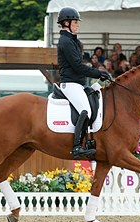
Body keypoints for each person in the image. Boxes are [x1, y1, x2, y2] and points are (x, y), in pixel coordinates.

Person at [56, 7, 110, 159]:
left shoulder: (72, 40)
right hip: (70, 84)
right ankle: (77, 147)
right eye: (75, 22)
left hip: (78, 84)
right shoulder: (65, 41)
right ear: (66, 23)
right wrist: (98, 73)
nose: (77, 24)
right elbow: (78, 66)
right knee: (85, 110)